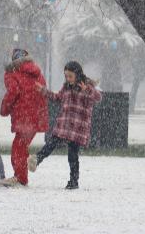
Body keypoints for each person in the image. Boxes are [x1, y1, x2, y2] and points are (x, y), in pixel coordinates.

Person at [29, 61, 102, 190]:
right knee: (51, 143)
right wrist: (44, 91)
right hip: (64, 124)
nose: (68, 79)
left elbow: (98, 97)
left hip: (77, 128)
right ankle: (36, 159)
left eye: (70, 76)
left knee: (72, 155)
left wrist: (87, 90)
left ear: (77, 75)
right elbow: (57, 97)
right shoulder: (66, 87)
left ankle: (74, 181)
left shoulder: (87, 86)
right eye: (66, 76)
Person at [0, 49, 48, 187]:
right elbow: (43, 91)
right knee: (22, 146)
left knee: (18, 148)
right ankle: (23, 174)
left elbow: (13, 91)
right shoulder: (37, 72)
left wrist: (4, 109)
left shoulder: (11, 73)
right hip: (36, 116)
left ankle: (20, 178)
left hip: (23, 117)